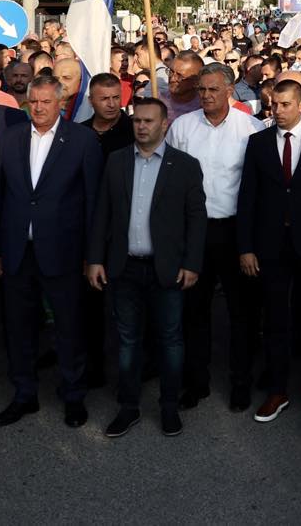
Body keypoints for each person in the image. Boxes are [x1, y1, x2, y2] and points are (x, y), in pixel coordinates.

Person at [0, 75, 104, 430]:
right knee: (19, 328)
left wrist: (92, 255)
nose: (37, 108)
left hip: (65, 252)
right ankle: (24, 394)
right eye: (32, 102)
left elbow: (94, 204)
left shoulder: (83, 141)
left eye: (45, 102)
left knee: (68, 327)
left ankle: (73, 395)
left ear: (61, 103)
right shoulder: (9, 139)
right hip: (16, 251)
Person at [86, 97, 206, 438]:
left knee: (170, 340)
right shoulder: (116, 161)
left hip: (166, 269)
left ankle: (169, 408)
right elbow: (103, 214)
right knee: (127, 341)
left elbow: (196, 218)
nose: (141, 126)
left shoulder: (184, 165)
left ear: (163, 124)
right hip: (124, 268)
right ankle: (128, 408)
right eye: (137, 120)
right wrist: (95, 258)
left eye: (148, 121)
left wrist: (192, 263)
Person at [236, 77, 301, 425]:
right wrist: (246, 248)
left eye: (284, 105)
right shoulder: (258, 142)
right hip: (270, 247)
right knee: (276, 320)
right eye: (273, 105)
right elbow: (248, 198)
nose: (277, 111)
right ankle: (277, 391)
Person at [165, 62, 262, 412]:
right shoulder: (182, 128)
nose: (205, 96)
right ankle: (196, 383)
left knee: (241, 312)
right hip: (194, 231)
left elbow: (257, 188)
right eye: (201, 89)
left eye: (212, 90)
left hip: (235, 230)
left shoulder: (251, 128)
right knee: (194, 310)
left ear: (229, 90)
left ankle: (240, 383)